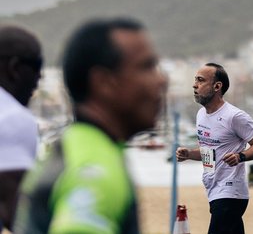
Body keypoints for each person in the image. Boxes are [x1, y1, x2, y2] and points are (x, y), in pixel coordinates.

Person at [15, 17, 167, 234]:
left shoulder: (76, 145)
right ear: (104, 83)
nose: (161, 80)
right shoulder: (95, 170)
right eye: (146, 67)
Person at [175, 63, 253, 234]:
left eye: (201, 80)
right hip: (213, 188)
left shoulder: (234, 116)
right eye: (195, 80)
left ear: (217, 86)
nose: (194, 85)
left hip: (230, 192)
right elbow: (210, 154)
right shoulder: (201, 115)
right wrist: (189, 154)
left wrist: (240, 156)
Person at [0, 25, 41, 233]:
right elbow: (17, 215)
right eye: (36, 68)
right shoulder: (12, 118)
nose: (38, 81)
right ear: (14, 68)